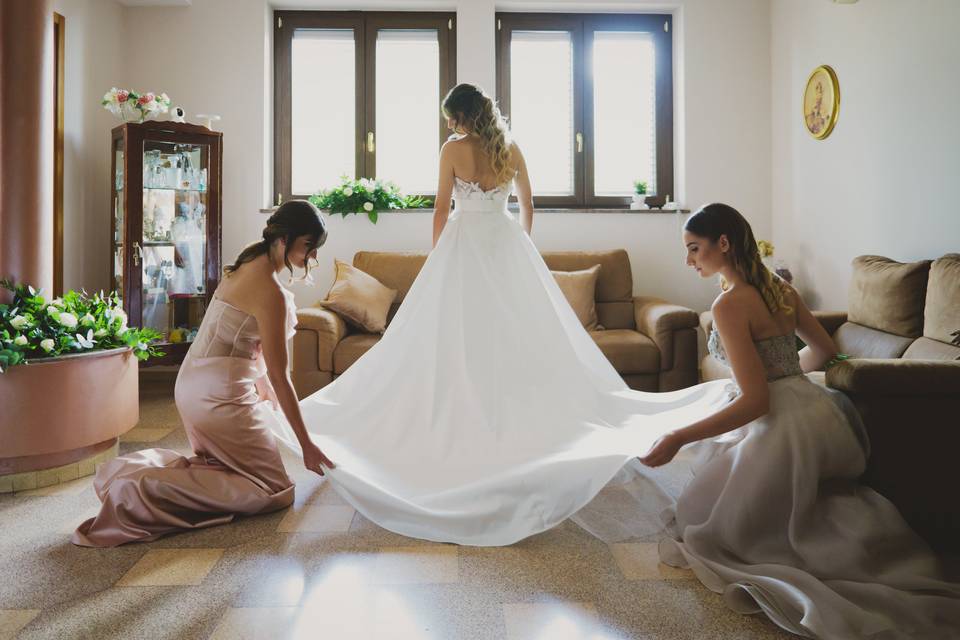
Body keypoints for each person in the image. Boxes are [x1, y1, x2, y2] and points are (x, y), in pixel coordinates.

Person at [276, 84, 730, 545]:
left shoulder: (452, 150)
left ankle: (464, 434)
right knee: (511, 345)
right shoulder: (510, 148)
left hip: (463, 248)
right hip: (505, 244)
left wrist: (439, 258)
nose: (450, 126)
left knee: (456, 343)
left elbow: (439, 211)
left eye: (452, 118)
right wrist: (522, 248)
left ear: (461, 117)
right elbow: (530, 206)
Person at [643, 203, 960, 639]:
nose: (689, 260)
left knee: (712, 528)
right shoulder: (780, 289)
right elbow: (826, 353)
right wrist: (786, 376)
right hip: (814, 408)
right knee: (803, 505)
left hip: (779, 425)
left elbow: (755, 401)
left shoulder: (728, 305)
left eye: (694, 249)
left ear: (723, 243)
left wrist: (680, 436)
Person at [73, 200, 335, 547]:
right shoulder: (271, 292)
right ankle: (135, 490)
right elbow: (280, 374)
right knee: (274, 490)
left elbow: (237, 339)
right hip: (218, 397)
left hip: (193, 384)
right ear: (284, 239)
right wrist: (307, 445)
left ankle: (134, 476)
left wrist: (261, 387)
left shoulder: (245, 261)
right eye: (308, 247)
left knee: (220, 465)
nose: (311, 258)